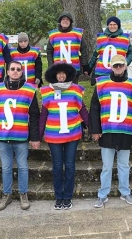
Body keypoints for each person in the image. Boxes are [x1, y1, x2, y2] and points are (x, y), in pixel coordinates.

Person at [0, 60, 40, 211]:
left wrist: (35, 137)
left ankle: (23, 194)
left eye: (18, 69)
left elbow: (34, 115)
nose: (15, 71)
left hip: (21, 137)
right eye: (12, 69)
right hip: (3, 137)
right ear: (8, 71)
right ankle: (7, 194)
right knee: (6, 168)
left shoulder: (30, 90)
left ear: (22, 72)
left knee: (23, 167)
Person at [90, 54, 132, 207]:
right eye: (115, 65)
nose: (118, 68)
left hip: (125, 131)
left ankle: (125, 192)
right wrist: (95, 130)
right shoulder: (101, 84)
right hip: (107, 130)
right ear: (111, 67)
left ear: (125, 66)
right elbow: (94, 109)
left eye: (121, 65)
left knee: (124, 165)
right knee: (106, 166)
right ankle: (103, 194)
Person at [39, 62, 89, 210]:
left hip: (72, 134)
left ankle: (67, 196)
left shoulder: (76, 90)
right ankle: (58, 196)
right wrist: (38, 135)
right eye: (58, 73)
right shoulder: (47, 91)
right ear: (54, 75)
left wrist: (92, 129)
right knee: (56, 166)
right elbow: (43, 115)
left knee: (70, 165)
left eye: (63, 73)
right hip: (54, 136)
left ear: (67, 74)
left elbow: (83, 111)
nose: (61, 76)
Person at [88, 16, 132, 84]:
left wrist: (126, 63)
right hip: (102, 72)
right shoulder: (101, 38)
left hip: (118, 71)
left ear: (118, 25)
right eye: (110, 24)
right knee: (101, 92)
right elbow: (95, 54)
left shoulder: (125, 38)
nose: (112, 26)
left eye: (114, 24)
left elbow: (130, 52)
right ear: (108, 25)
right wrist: (89, 67)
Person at [46, 12, 89, 81]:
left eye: (67, 19)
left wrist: (85, 65)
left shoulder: (77, 34)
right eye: (63, 19)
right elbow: (49, 52)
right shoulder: (53, 34)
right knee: (59, 90)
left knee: (73, 90)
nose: (65, 21)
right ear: (60, 21)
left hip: (73, 68)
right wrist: (51, 66)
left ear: (70, 22)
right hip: (58, 68)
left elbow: (83, 49)